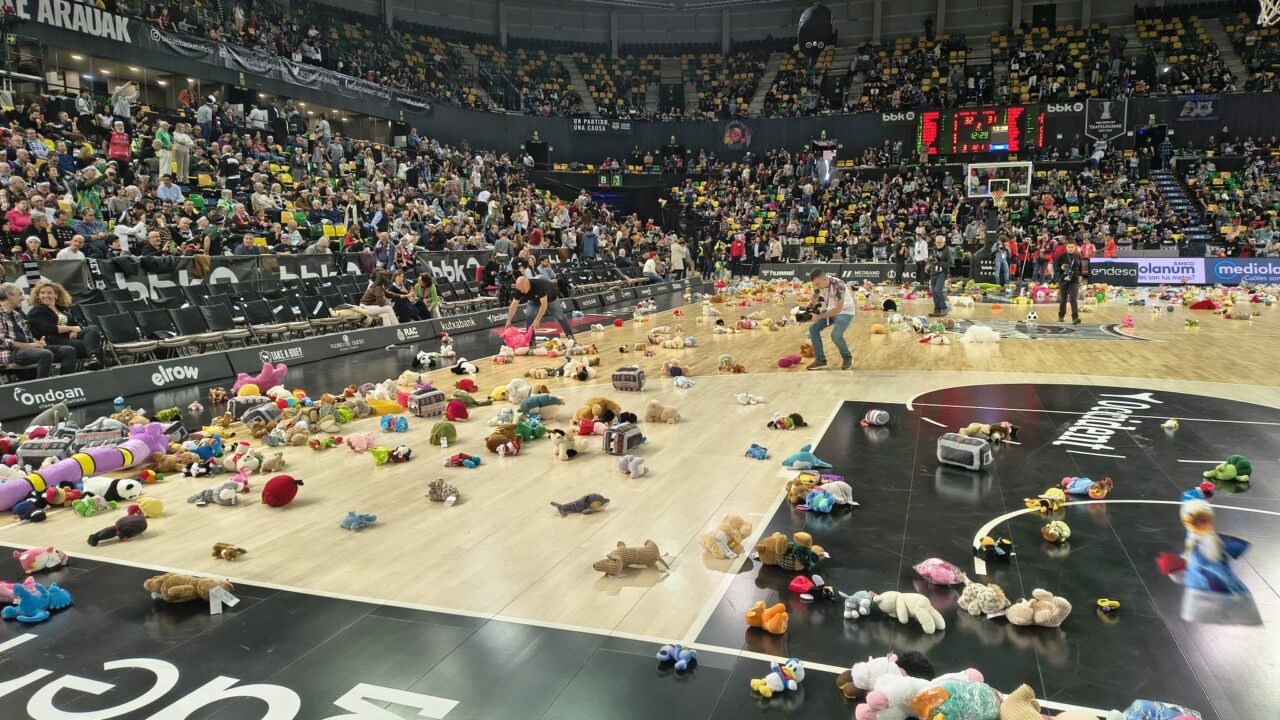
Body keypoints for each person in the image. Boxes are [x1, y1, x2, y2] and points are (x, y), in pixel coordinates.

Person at [0, 282, 77, 378]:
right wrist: (29, 345)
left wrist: (37, 343)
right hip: (8, 353)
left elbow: (28, 336)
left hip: (26, 350)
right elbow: (1, 341)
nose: (23, 298)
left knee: (68, 351)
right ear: (9, 296)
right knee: (45, 354)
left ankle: (65, 384)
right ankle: (42, 386)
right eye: (20, 295)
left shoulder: (16, 315)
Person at [26, 280, 103, 369]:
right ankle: (95, 361)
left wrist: (72, 331)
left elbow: (77, 325)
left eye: (49, 293)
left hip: (69, 337)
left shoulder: (63, 309)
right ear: (38, 295)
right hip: (54, 341)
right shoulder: (37, 311)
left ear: (56, 295)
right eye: (42, 293)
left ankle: (94, 359)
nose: (45, 295)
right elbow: (48, 328)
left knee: (93, 328)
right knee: (95, 346)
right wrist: (71, 328)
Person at [805, 269, 855, 371]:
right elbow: (816, 295)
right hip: (831, 309)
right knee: (813, 328)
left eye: (817, 284)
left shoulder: (838, 285)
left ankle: (847, 358)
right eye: (815, 284)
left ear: (825, 279)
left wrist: (819, 317)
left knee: (835, 336)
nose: (816, 286)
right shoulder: (819, 283)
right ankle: (820, 360)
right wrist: (812, 303)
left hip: (845, 312)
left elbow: (837, 310)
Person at [505, 275, 574, 340]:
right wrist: (509, 320)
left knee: (560, 316)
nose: (521, 292)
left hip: (551, 298)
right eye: (520, 290)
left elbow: (544, 305)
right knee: (529, 315)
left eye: (522, 289)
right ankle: (531, 340)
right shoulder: (520, 288)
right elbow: (514, 304)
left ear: (527, 284)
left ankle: (570, 336)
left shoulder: (539, 285)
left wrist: (537, 320)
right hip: (534, 300)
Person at [1055, 242, 1086, 324]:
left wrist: (1080, 275)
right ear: (1066, 247)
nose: (1070, 249)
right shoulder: (1062, 256)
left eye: (1072, 247)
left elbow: (1080, 267)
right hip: (1063, 280)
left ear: (1075, 247)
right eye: (1069, 247)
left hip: (1074, 280)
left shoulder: (1077, 255)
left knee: (1073, 299)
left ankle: (1075, 317)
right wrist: (1061, 268)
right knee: (1063, 299)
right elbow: (1056, 268)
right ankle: (1061, 316)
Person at [927, 235, 953, 317]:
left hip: (942, 273)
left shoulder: (947, 250)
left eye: (940, 242)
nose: (938, 244)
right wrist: (930, 260)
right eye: (937, 242)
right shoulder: (933, 249)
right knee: (934, 292)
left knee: (938, 290)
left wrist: (938, 262)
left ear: (944, 242)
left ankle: (944, 307)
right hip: (933, 272)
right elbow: (930, 260)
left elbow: (950, 263)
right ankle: (937, 309)